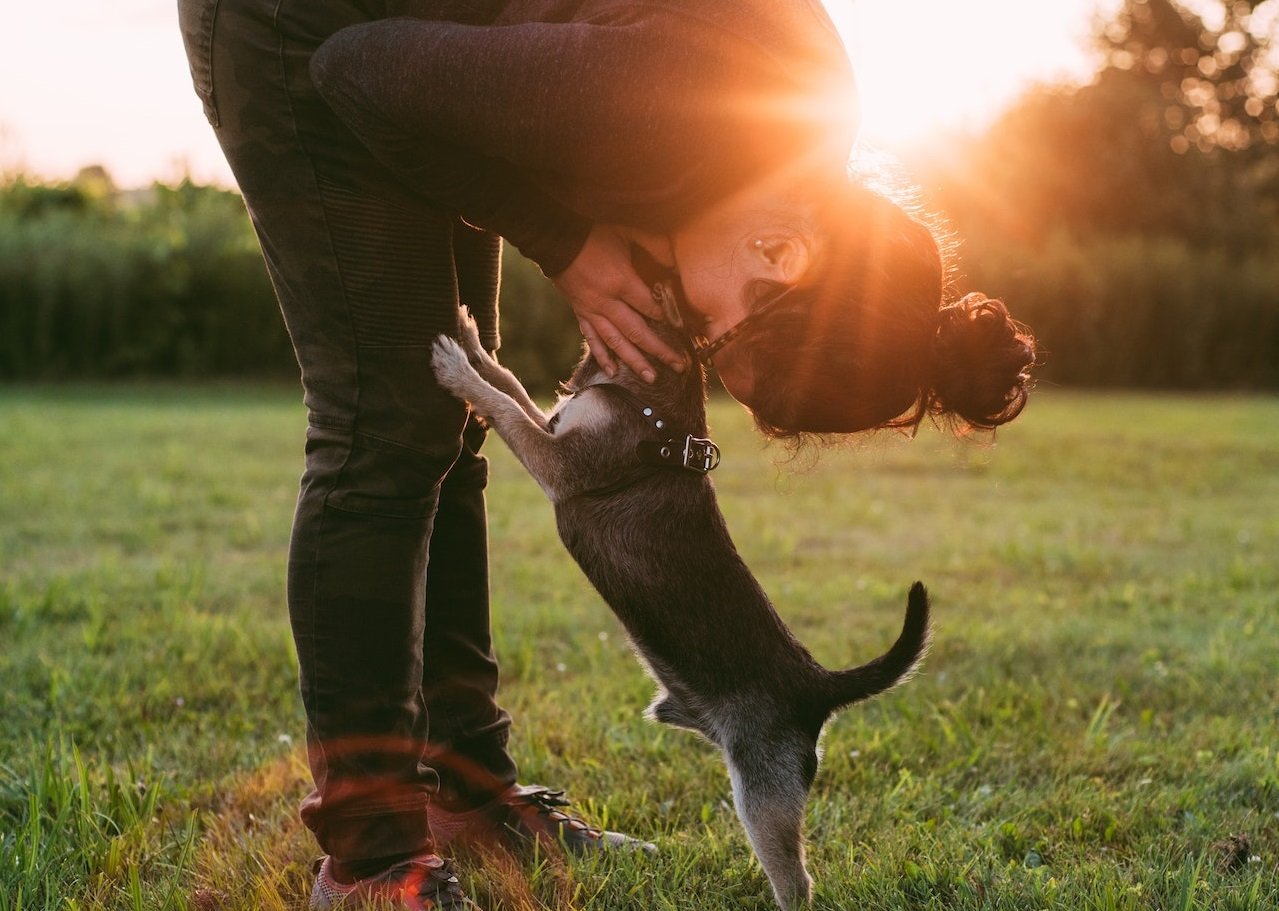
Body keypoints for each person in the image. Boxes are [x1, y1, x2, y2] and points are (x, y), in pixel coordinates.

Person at [177, 1, 1035, 908]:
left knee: (448, 422)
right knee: (385, 429)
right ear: (782, 251)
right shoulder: (682, 105)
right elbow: (358, 68)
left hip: (427, 56)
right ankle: (372, 859)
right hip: (304, 27)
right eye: (710, 331)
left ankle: (467, 793)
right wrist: (565, 242)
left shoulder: (793, 136)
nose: (685, 341)